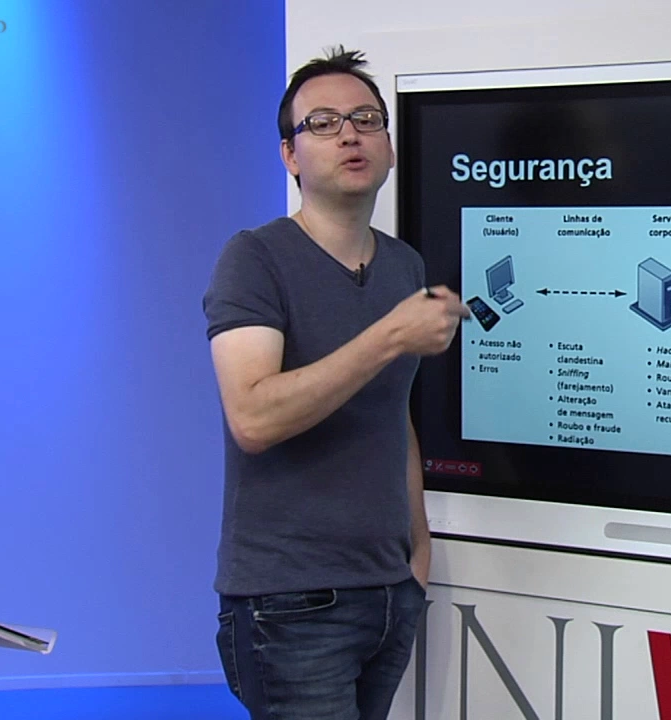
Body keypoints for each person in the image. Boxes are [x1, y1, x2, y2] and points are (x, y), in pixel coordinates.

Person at [201, 45, 470, 720]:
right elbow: (254, 417)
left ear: (388, 146)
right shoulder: (254, 258)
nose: (350, 134)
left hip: (389, 591)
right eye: (322, 123)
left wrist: (417, 552)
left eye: (366, 119)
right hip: (290, 603)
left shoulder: (404, 266)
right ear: (290, 156)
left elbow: (393, 414)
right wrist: (389, 336)